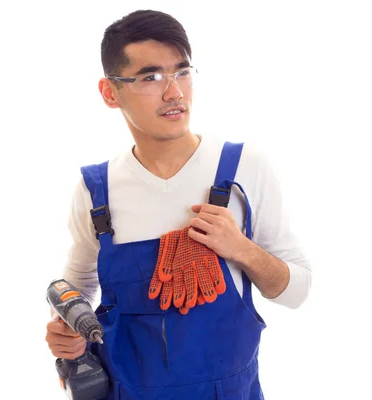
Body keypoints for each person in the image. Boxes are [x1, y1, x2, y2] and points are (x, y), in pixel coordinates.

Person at [45, 9, 312, 399]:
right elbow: (78, 288)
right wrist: (66, 332)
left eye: (182, 72)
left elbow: (298, 291)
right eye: (151, 77)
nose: (175, 93)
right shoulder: (95, 191)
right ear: (109, 92)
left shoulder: (242, 171)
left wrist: (242, 250)